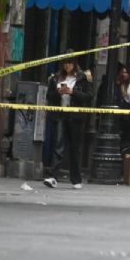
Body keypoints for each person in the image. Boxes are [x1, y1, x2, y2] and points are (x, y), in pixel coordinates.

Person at [43, 54, 93, 189]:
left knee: (74, 148)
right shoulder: (56, 78)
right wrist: (58, 92)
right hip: (61, 115)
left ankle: (76, 179)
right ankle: (53, 176)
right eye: (65, 63)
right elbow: (49, 96)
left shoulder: (83, 78)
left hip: (76, 117)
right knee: (58, 145)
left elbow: (88, 96)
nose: (67, 65)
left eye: (70, 63)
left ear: (75, 63)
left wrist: (72, 92)